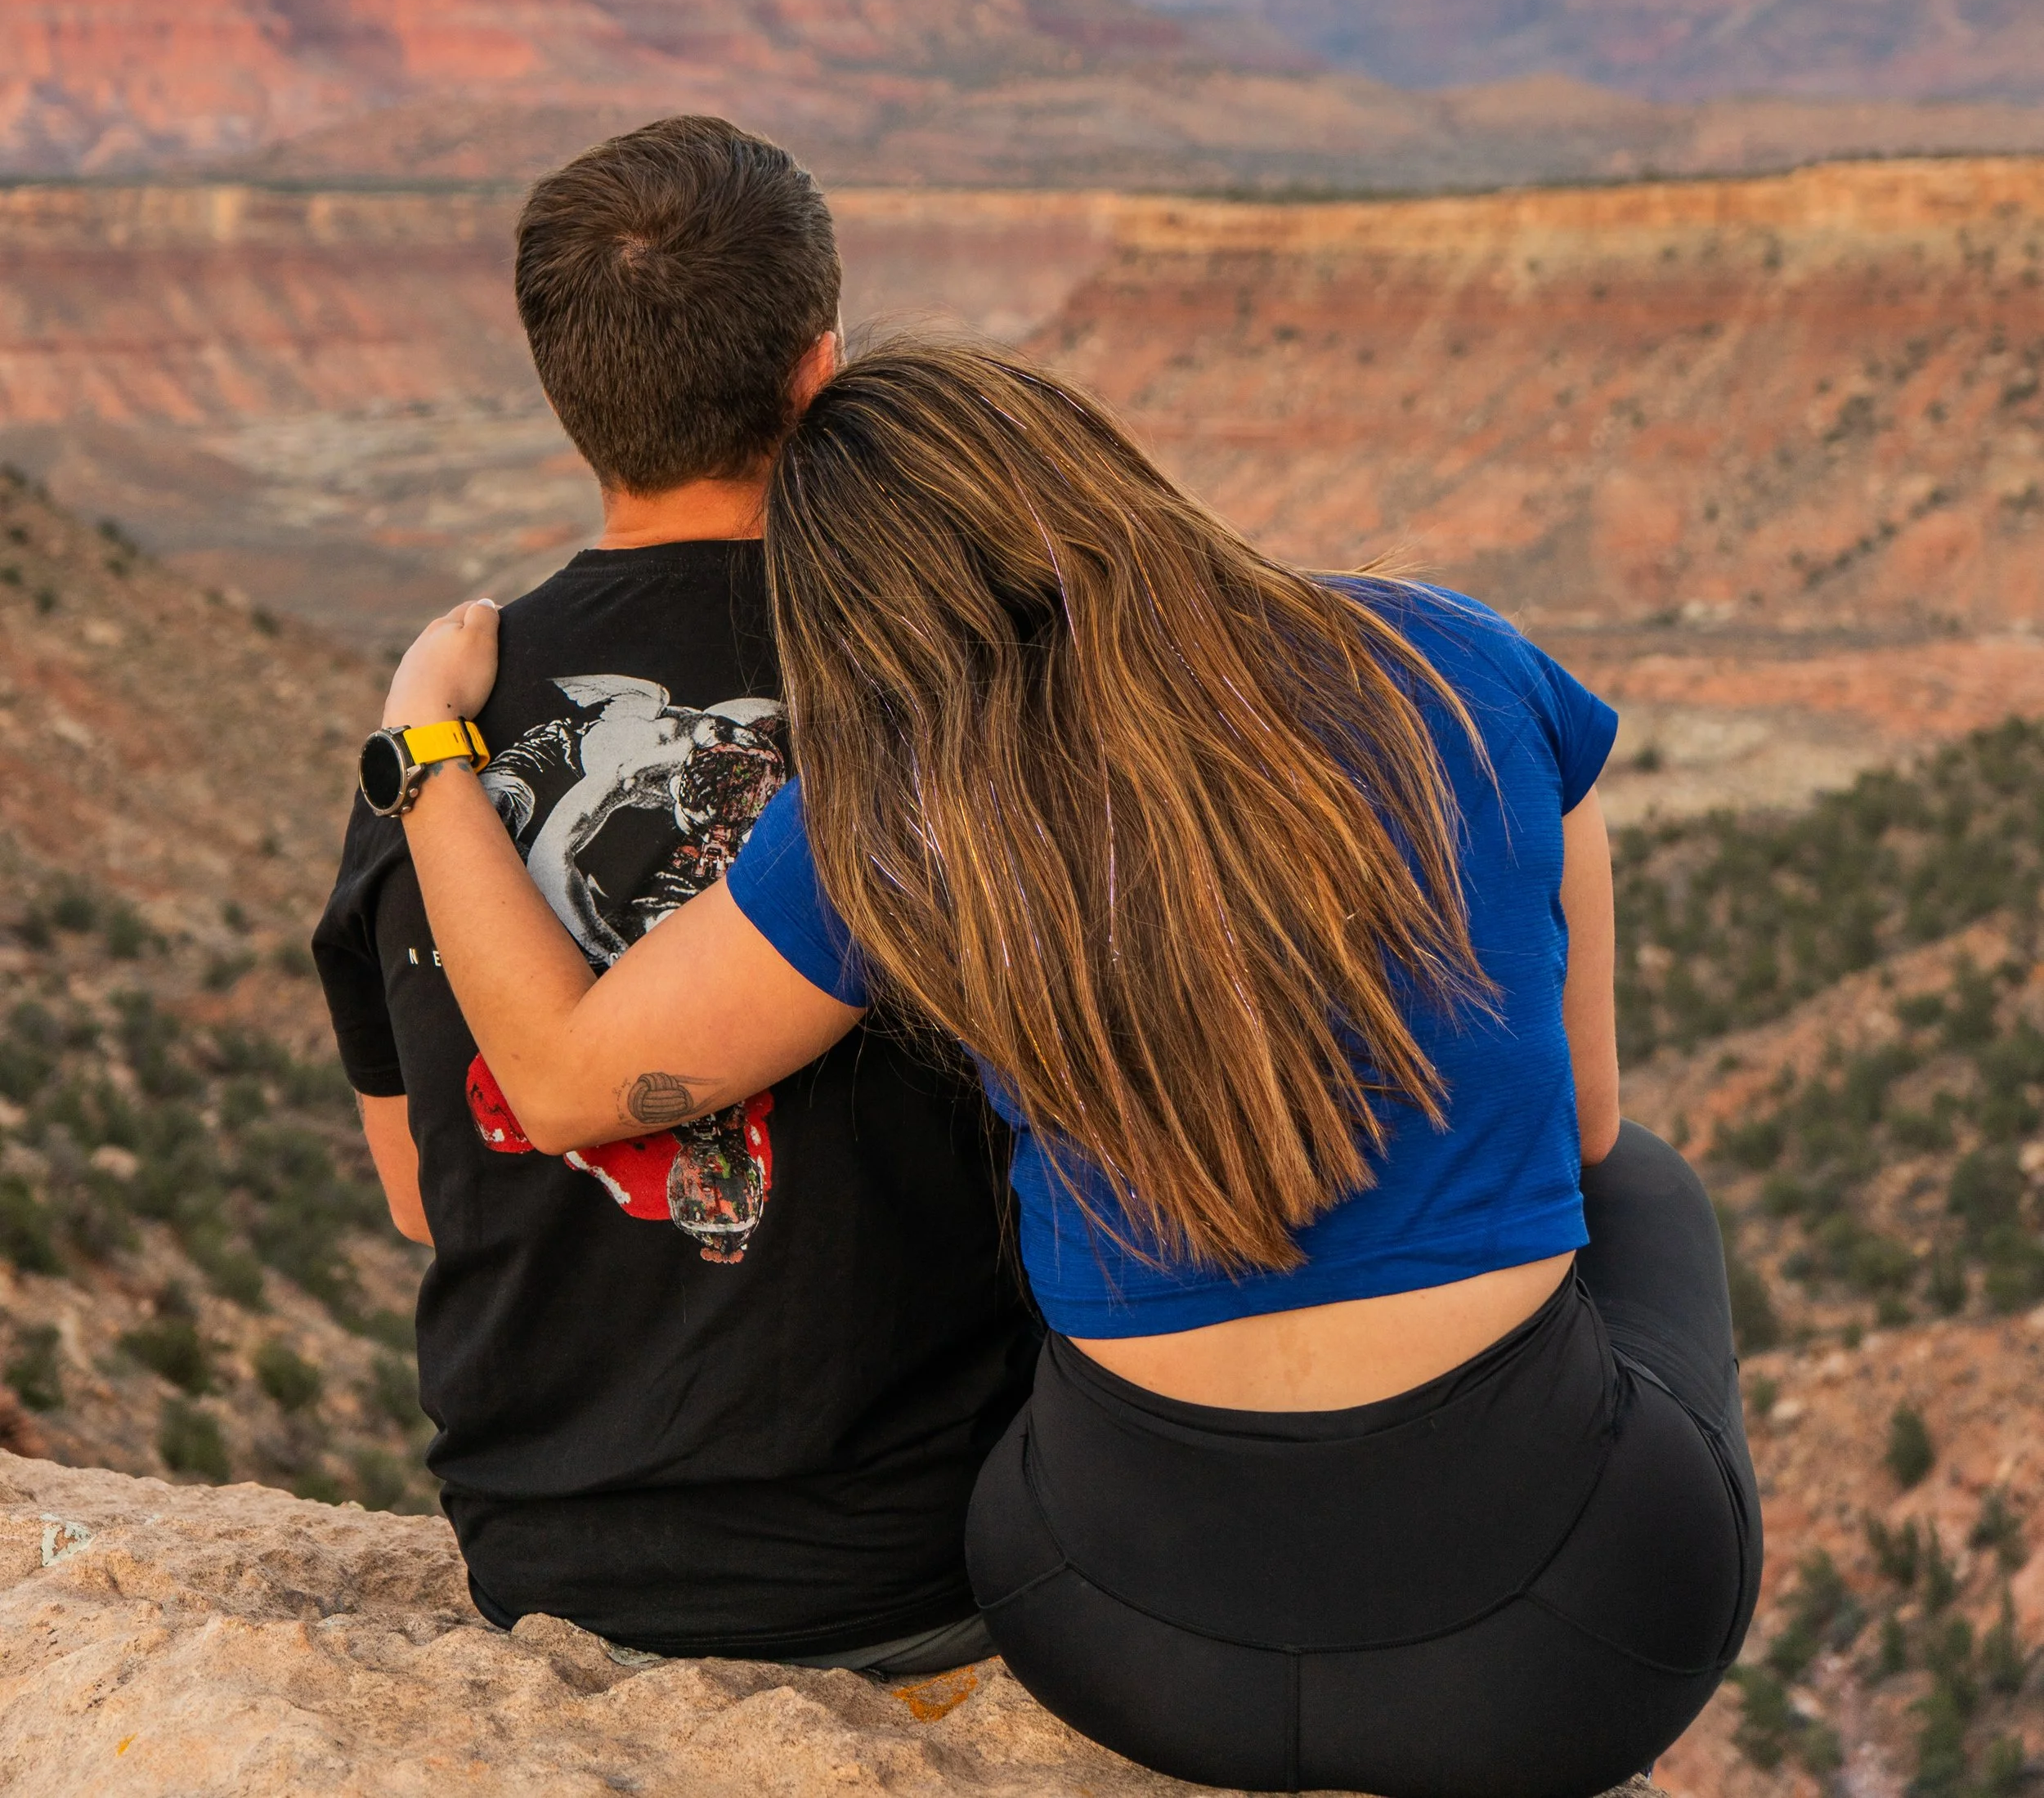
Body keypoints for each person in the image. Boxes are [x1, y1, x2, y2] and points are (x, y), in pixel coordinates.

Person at [378, 340, 1762, 1797]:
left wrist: (426, 742)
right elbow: (1587, 1122)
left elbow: (562, 1080)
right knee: (1647, 1185)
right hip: (1570, 1656)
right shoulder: (1457, 658)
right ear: (1094, 473)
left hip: (1119, 1640)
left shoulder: (902, 809)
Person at [312, 127, 1038, 1675]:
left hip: (551, 1568)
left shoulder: (429, 754)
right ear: (820, 366)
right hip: (918, 1561)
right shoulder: (945, 696)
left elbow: (424, 1193)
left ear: (564, 389)